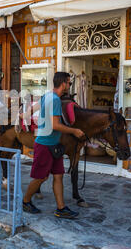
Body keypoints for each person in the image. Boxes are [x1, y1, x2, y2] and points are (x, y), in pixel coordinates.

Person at [21, 72, 85, 220]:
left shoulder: (47, 96)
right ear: (63, 83)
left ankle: (61, 208)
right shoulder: (55, 100)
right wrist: (75, 131)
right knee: (41, 178)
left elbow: (32, 110)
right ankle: (25, 201)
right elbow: (56, 125)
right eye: (68, 83)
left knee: (58, 175)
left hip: (53, 144)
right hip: (45, 144)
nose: (69, 86)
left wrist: (24, 116)